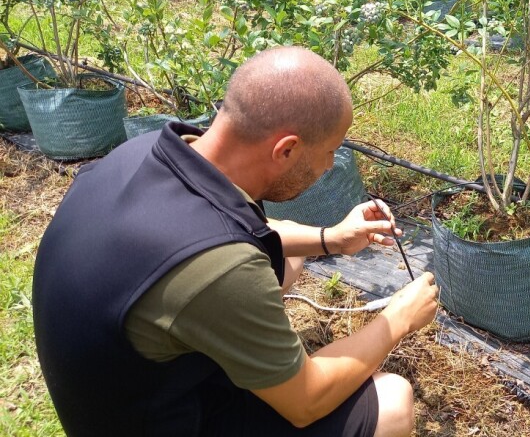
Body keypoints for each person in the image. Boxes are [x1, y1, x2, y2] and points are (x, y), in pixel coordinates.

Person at [32, 46, 439, 437]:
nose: (330, 165)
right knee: (392, 402)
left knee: (284, 259)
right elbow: (307, 402)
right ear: (287, 149)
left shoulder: (141, 153)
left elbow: (247, 234)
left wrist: (331, 239)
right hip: (160, 423)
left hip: (122, 392)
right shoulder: (221, 269)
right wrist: (397, 319)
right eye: (330, 152)